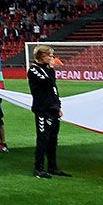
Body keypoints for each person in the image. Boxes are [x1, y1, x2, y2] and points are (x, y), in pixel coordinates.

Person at [28, 43, 67, 179]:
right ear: (42, 56)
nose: (52, 58)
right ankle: (38, 168)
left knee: (53, 139)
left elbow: (53, 89)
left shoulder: (47, 69)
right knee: (43, 139)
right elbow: (48, 83)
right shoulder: (33, 70)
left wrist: (58, 106)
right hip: (42, 109)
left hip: (52, 108)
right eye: (49, 55)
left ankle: (53, 166)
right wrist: (51, 68)